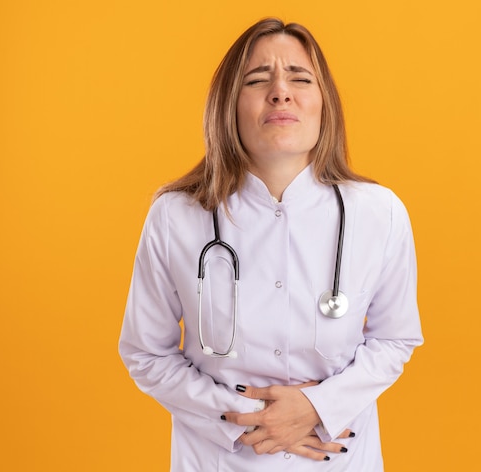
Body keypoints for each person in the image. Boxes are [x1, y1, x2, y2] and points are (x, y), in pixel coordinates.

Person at [119, 17, 423, 471]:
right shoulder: (175, 216)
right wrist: (252, 421)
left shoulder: (379, 212)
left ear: (325, 103)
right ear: (229, 105)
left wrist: (318, 408)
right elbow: (146, 353)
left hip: (337, 458)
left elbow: (394, 339)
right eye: (258, 79)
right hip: (221, 459)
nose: (281, 92)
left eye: (300, 78)